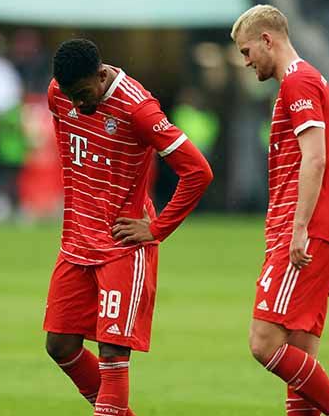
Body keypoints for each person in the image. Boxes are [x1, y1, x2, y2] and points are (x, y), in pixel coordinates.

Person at [43, 39, 213, 416]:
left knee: (113, 352)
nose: (77, 105)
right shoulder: (59, 92)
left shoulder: (139, 109)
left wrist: (157, 229)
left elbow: (198, 171)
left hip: (122, 244)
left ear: (102, 75)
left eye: (84, 94)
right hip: (75, 242)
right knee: (60, 345)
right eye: (70, 96)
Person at [231, 5, 329, 416]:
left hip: (309, 231)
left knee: (264, 342)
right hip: (318, 229)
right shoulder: (305, 81)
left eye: (246, 51)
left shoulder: (299, 82)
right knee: (299, 355)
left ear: (267, 40)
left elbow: (315, 158)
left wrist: (298, 228)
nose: (245, 61)